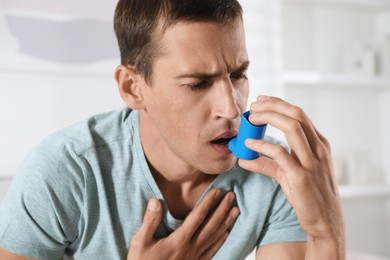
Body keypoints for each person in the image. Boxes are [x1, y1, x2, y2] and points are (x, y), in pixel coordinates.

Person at [0, 0, 345, 259]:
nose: (232, 108)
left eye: (238, 75)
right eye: (198, 83)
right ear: (133, 88)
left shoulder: (275, 174)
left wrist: (326, 231)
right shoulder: (63, 172)